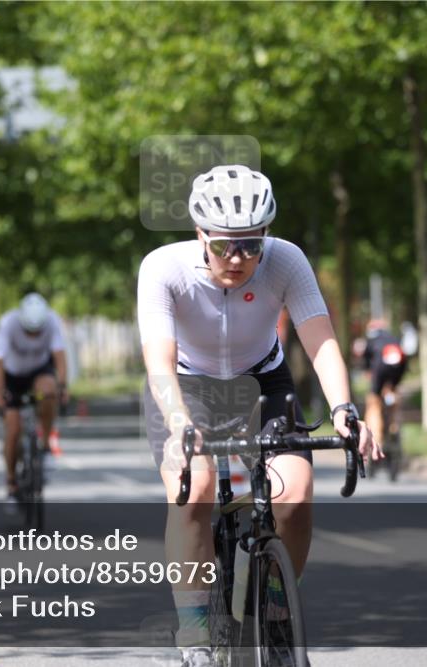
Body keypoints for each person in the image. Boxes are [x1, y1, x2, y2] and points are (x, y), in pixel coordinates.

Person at [137, 164, 379, 667]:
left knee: (295, 493)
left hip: (262, 380)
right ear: (200, 234)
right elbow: (159, 361)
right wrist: (180, 424)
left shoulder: (286, 260)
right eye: (226, 245)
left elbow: (321, 340)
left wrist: (344, 409)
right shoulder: (164, 268)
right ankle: (195, 631)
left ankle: (275, 603)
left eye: (252, 244)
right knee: (196, 490)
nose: (240, 258)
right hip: (186, 386)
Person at [0, 292, 69, 501]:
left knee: (50, 391)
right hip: (12, 376)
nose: (33, 337)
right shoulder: (8, 323)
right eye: (29, 332)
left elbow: (59, 356)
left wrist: (62, 386)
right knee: (13, 430)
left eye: (37, 332)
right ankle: (11, 482)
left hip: (38, 372)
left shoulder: (51, 321)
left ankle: (45, 445)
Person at [361, 318, 408, 442]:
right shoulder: (393, 338)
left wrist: (368, 372)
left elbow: (366, 360)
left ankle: (376, 436)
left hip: (380, 367)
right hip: (399, 366)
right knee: (393, 395)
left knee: (373, 401)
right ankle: (394, 427)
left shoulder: (371, 340)